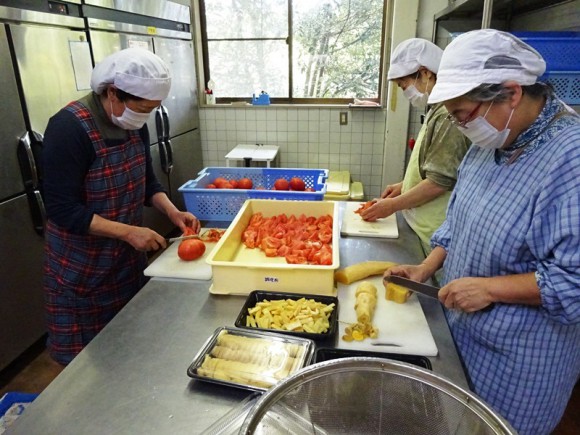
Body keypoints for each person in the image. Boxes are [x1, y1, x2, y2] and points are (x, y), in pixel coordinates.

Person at [385, 29, 580, 434]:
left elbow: (573, 281)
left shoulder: (569, 158)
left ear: (510, 93)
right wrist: (426, 267)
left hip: (519, 361)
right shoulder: (488, 143)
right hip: (463, 336)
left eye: (463, 114)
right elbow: (458, 222)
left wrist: (491, 289)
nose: (460, 126)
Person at [42, 48, 200, 365]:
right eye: (142, 108)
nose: (145, 117)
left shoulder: (134, 123)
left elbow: (147, 184)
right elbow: (62, 209)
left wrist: (172, 211)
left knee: (129, 350)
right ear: (113, 93)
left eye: (153, 110)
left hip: (125, 264)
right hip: (81, 271)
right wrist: (128, 232)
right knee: (83, 368)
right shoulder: (69, 128)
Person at [361, 38, 470, 254]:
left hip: (434, 231)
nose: (407, 93)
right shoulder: (435, 110)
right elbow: (433, 166)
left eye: (405, 85)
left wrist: (392, 206)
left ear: (425, 73)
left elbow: (439, 182)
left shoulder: (448, 115)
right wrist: (404, 185)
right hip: (421, 224)